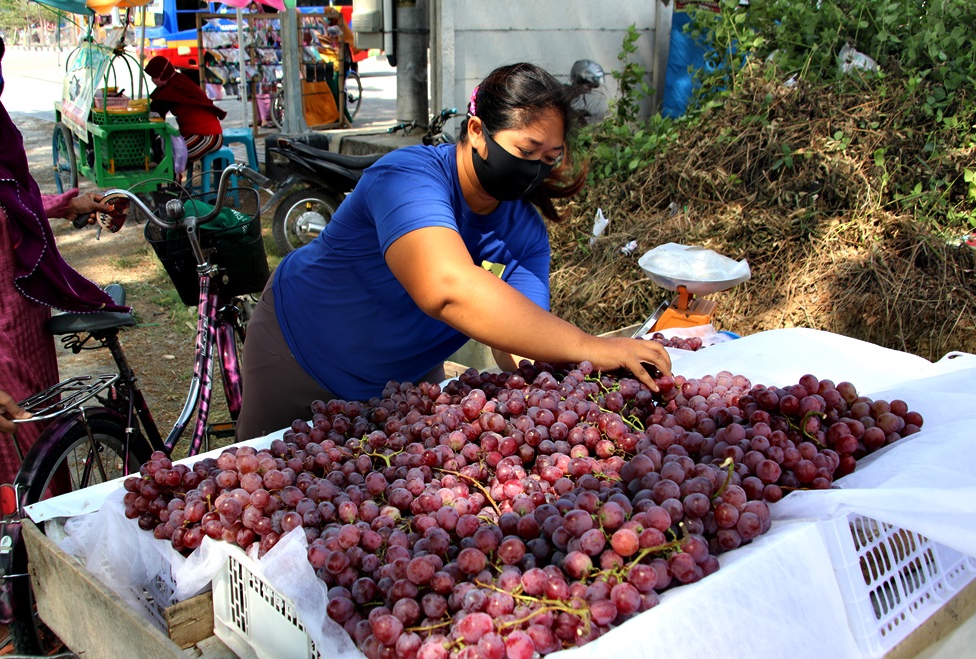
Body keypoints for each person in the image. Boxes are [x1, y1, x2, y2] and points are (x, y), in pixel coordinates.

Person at [236, 62, 672, 440]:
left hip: (400, 383)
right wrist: (589, 345)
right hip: (299, 354)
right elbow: (445, 288)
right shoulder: (407, 177)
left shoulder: (524, 231)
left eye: (550, 157)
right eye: (525, 151)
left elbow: (520, 339)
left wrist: (583, 372)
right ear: (478, 131)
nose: (535, 169)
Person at [0, 7, 128, 657]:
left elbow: (10, 209)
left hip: (23, 335)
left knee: (34, 478)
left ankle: (34, 606)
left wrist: (68, 203)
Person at [144, 55, 226, 168]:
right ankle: (172, 183)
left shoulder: (175, 86)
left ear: (163, 73)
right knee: (162, 147)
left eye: (155, 76)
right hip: (195, 133)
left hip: (208, 136)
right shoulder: (173, 81)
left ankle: (174, 185)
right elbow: (154, 103)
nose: (153, 80)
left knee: (171, 156)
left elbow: (157, 107)